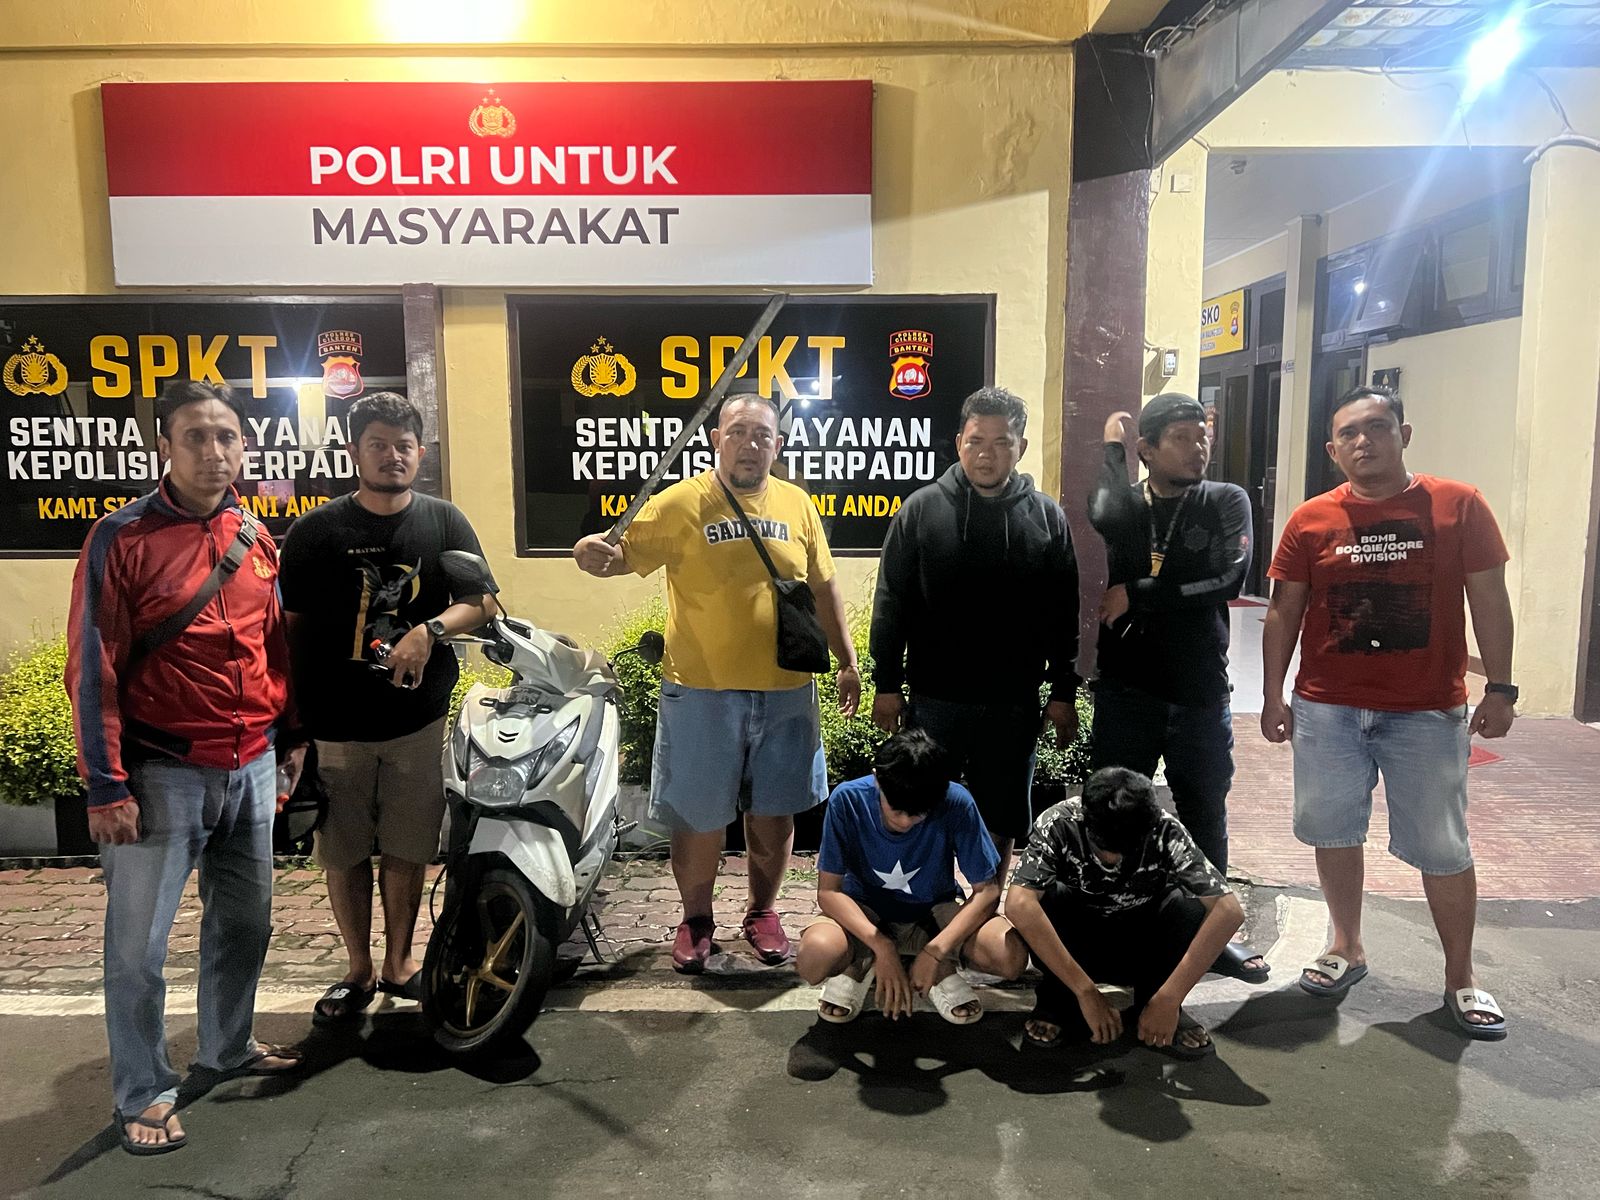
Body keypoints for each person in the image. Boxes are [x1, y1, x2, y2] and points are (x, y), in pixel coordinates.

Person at [66, 380, 305, 1155]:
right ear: (164, 446)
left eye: (226, 436)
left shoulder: (254, 534)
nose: (213, 451)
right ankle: (142, 1092)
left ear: (245, 446)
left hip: (252, 764)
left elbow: (272, 646)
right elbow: (93, 665)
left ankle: (226, 1046)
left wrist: (290, 737)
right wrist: (106, 783)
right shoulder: (120, 537)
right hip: (160, 772)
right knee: (138, 949)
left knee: (246, 923)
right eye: (195, 436)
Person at [573, 392, 860, 973]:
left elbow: (823, 587)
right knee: (699, 817)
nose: (750, 444)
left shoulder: (798, 504)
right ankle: (697, 919)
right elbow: (619, 553)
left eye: (762, 435)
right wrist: (589, 552)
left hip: (786, 691)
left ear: (778, 445)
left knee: (774, 814)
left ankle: (762, 912)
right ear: (715, 440)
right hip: (700, 692)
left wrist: (848, 660)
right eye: (738, 432)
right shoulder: (680, 502)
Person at [1261, 385, 1516, 1040]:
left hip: (1425, 713)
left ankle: (1460, 978)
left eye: (1376, 427)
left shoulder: (1459, 505)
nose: (1363, 441)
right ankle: (1346, 946)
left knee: (1442, 846)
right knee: (1333, 831)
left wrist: (1501, 688)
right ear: (1332, 450)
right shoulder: (1310, 519)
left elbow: (1489, 600)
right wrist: (1272, 695)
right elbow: (1284, 612)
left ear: (1404, 434)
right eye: (1349, 433)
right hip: (1327, 710)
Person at [279, 392, 495, 1024]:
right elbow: (288, 632)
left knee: (407, 847)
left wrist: (431, 629)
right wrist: (291, 725)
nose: (392, 456)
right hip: (336, 726)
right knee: (343, 851)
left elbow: (482, 600)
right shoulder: (315, 533)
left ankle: (400, 963)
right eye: (378, 444)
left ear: (419, 453)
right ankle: (358, 969)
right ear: (354, 451)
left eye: (403, 446)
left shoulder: (444, 521)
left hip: (417, 722)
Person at [1087, 393, 1266, 983]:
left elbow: (1227, 578)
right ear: (1148, 449)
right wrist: (1112, 450)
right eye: (1182, 438)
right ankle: (1115, 925)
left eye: (1202, 435)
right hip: (1127, 689)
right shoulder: (1128, 507)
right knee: (1113, 811)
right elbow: (1100, 509)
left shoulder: (1225, 501)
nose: (1198, 447)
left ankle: (1211, 937)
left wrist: (1139, 592)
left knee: (1203, 813)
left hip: (1198, 691)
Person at [869, 386, 1080, 878]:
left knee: (1001, 818)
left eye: (1002, 442)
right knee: (923, 807)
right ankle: (931, 902)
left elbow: (1063, 612)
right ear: (959, 443)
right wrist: (887, 683)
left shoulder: (1046, 518)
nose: (987, 454)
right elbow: (892, 601)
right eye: (976, 441)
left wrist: (1063, 691)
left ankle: (984, 906)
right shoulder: (921, 510)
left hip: (1012, 701)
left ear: (1021, 447)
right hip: (935, 700)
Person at [1006, 767, 1245, 1057]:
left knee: (1188, 902)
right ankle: (1059, 1000)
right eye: (1103, 846)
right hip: (1078, 946)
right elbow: (1018, 904)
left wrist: (1170, 997)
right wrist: (1085, 991)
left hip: (1141, 948)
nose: (1113, 858)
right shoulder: (1059, 822)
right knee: (1045, 896)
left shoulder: (1165, 829)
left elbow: (1229, 911)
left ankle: (1155, 1003)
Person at [796, 730, 1027, 1024]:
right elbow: (829, 892)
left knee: (1010, 957)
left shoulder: (956, 800)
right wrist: (882, 945)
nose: (905, 821)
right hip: (864, 912)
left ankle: (935, 963)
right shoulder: (848, 799)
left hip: (933, 912)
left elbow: (987, 891)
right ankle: (863, 961)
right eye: (896, 810)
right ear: (878, 779)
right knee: (814, 958)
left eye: (919, 813)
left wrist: (935, 951)